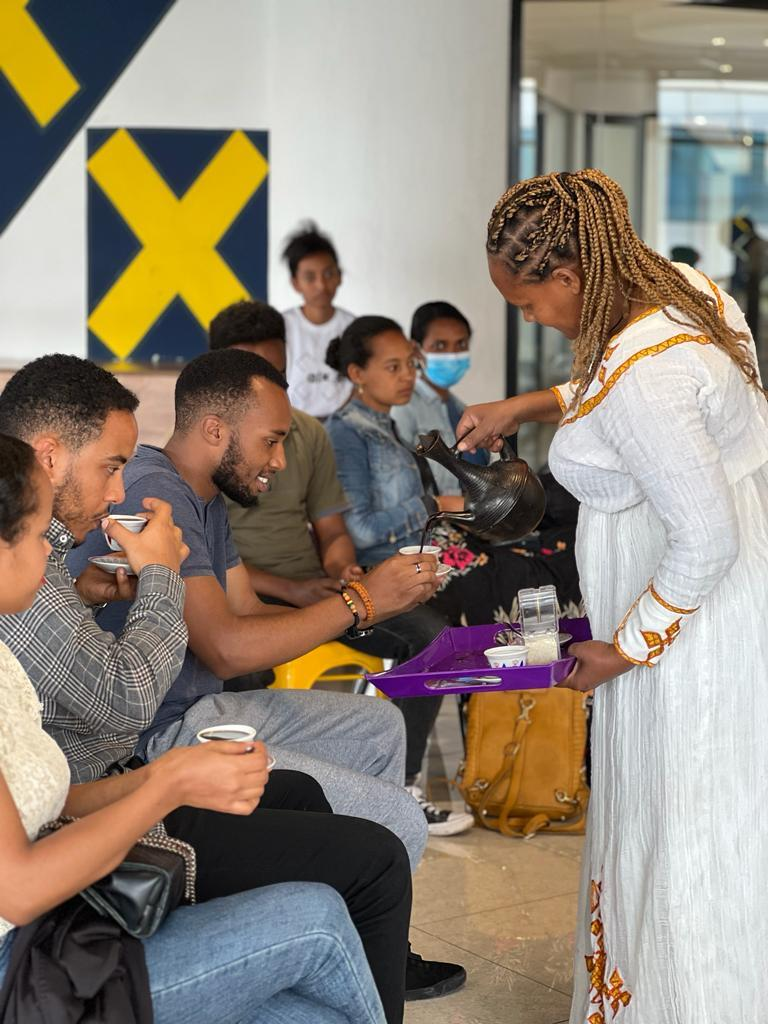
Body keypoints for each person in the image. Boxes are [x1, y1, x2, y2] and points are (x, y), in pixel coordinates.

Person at [0, 354, 456, 1013]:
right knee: (374, 854)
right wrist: (160, 576)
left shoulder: (167, 511)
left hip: (110, 780)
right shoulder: (88, 541)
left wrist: (88, 594)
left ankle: (357, 962)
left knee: (308, 794)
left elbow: (228, 618)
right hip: (104, 819)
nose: (116, 491)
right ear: (48, 457)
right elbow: (136, 700)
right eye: (110, 465)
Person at [455, 168, 768, 1024]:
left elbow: (706, 537)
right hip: (721, 612)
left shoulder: (644, 383)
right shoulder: (680, 290)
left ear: (568, 276)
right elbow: (624, 383)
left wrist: (627, 648)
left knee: (684, 832)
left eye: (524, 304)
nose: (528, 318)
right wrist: (534, 401)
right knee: (715, 821)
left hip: (681, 637)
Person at [208, 299, 473, 837]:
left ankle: (402, 785)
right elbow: (213, 561)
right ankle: (255, 803)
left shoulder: (308, 433)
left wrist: (345, 569)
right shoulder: (211, 442)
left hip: (315, 585)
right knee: (241, 669)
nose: (264, 386)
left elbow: (331, 529)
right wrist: (296, 589)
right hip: (247, 591)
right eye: (248, 373)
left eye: (274, 372)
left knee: (431, 636)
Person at [324, 317, 582, 628]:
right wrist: (436, 505)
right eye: (394, 367)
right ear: (357, 373)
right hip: (401, 567)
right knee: (541, 573)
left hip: (436, 547)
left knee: (562, 546)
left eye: (410, 364)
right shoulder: (346, 433)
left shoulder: (385, 426)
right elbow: (361, 530)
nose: (408, 376)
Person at [391, 300, 489, 496]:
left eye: (461, 344)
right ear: (417, 350)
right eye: (440, 346)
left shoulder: (461, 409)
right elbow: (398, 484)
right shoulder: (403, 408)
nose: (452, 355)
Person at [281, 222, 355, 418]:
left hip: (343, 424)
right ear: (295, 283)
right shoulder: (280, 327)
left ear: (340, 276)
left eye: (329, 273)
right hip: (292, 425)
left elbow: (362, 383)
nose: (321, 285)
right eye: (310, 277)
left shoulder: (353, 328)